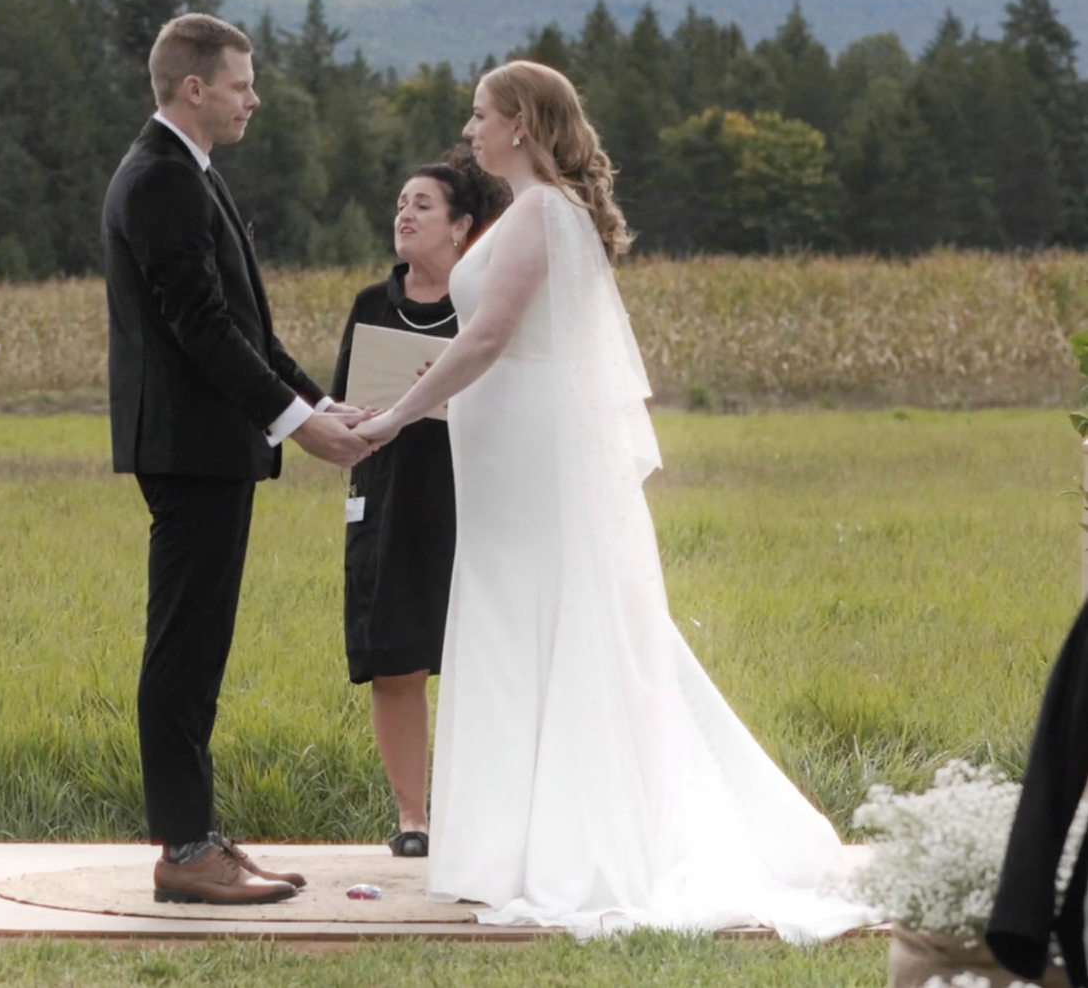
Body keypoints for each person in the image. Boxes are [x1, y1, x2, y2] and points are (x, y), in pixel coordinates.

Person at [353, 60, 871, 940]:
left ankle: (552, 846)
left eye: (480, 115)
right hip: (506, 451)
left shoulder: (541, 213)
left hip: (526, 452)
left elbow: (489, 334)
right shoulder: (535, 212)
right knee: (515, 619)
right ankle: (509, 844)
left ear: (520, 124)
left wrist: (397, 415)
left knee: (538, 616)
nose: (470, 131)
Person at [102, 13, 373, 907]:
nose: (253, 98)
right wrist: (297, 425)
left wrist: (318, 401)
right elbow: (202, 328)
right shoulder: (160, 179)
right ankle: (185, 850)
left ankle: (198, 835)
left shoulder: (192, 171)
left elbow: (247, 326)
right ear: (194, 88)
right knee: (183, 652)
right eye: (241, 84)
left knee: (200, 647)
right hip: (191, 450)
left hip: (212, 447)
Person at [330, 151, 510, 858]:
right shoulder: (371, 305)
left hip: (471, 493)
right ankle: (414, 818)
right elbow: (343, 401)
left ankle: (487, 813)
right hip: (390, 494)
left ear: (462, 226)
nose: (405, 214)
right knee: (394, 659)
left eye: (423, 205)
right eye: (401, 203)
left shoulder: (487, 305)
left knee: (485, 656)